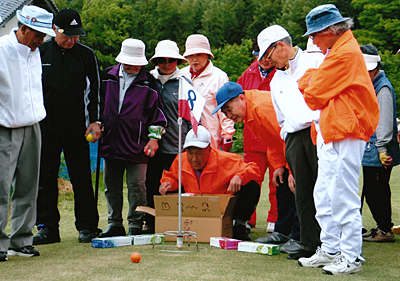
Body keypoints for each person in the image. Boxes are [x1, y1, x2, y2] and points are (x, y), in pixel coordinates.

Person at [296, 4, 379, 275]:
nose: (312, 40)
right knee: (325, 193)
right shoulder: (338, 50)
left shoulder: (343, 53)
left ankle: (351, 256)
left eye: (314, 35)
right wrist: (313, 79)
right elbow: (315, 87)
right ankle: (331, 249)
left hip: (347, 128)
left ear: (329, 31)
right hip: (336, 128)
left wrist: (310, 78)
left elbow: (313, 93)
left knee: (341, 194)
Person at [34, 8, 102, 244]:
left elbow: (95, 91)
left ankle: (87, 226)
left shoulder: (86, 55)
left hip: (77, 127)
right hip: (45, 126)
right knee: (46, 178)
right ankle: (47, 227)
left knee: (81, 177)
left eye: (76, 35)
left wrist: (95, 121)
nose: (72, 40)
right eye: (67, 35)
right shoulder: (40, 52)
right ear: (55, 29)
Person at [256, 25, 324, 260]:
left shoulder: (316, 62)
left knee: (325, 189)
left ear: (281, 46)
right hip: (294, 138)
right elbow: (281, 120)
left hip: (319, 131)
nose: (267, 61)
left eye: (268, 54)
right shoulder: (276, 81)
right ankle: (308, 243)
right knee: (302, 193)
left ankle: (332, 243)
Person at [212, 82, 300, 246]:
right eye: (224, 113)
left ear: (241, 98)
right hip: (287, 149)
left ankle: (299, 237)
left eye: (229, 110)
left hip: (300, 145)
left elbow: (288, 137)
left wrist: (293, 170)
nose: (228, 116)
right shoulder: (250, 113)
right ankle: (283, 232)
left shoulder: (262, 107)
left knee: (298, 189)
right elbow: (272, 141)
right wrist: (280, 165)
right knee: (281, 183)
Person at [0, 5, 55, 261]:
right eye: (38, 35)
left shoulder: (34, 51)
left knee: (29, 186)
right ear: (23, 29)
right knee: (1, 187)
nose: (41, 41)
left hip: (33, 125)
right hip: (5, 127)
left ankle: (21, 239)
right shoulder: (1, 49)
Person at [98, 38, 167, 238]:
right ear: (121, 60)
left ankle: (135, 224)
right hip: (111, 141)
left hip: (137, 144)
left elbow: (157, 113)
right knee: (111, 186)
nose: (133, 66)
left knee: (137, 186)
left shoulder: (148, 81)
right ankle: (115, 223)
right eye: (129, 62)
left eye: (137, 63)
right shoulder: (107, 76)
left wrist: (154, 138)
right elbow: (97, 104)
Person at [159, 126, 262, 241]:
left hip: (223, 207)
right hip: (194, 207)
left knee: (251, 186)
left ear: (209, 149)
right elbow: (172, 177)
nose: (195, 158)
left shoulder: (225, 159)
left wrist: (240, 176)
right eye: (190, 153)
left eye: (199, 153)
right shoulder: (180, 160)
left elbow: (254, 170)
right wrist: (168, 183)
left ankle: (240, 225)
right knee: (167, 191)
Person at [145, 40, 191, 232]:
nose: (166, 64)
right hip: (152, 144)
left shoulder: (185, 83)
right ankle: (151, 223)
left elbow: (191, 116)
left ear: (177, 61)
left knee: (177, 185)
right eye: (161, 60)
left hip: (177, 143)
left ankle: (176, 223)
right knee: (151, 183)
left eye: (171, 60)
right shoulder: (147, 80)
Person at [237, 37, 278, 232]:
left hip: (275, 137)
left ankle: (275, 219)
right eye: (261, 56)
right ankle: (246, 218)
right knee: (251, 179)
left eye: (269, 56)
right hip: (252, 139)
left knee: (276, 182)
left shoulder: (283, 72)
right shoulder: (247, 74)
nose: (266, 60)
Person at [360, 44, 399, 243]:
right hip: (373, 147)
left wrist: (382, 148)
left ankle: (385, 229)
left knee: (377, 191)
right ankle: (382, 227)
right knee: (372, 189)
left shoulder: (382, 88)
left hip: (379, 149)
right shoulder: (375, 84)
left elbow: (384, 121)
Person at [181, 34, 235, 150]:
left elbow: (225, 108)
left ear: (207, 55)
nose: (195, 59)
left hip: (210, 134)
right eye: (191, 55)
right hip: (185, 134)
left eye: (199, 55)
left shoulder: (219, 76)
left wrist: (227, 134)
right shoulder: (181, 75)